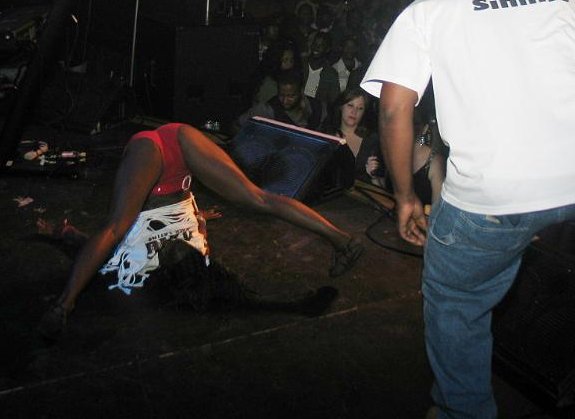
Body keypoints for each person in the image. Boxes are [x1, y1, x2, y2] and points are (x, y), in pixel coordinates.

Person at [361, 0, 575, 418]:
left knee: (456, 299)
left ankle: (463, 411)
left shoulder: (432, 5)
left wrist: (404, 196)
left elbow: (392, 109)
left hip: (494, 194)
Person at [38, 123, 363, 339]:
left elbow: (107, 238)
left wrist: (63, 303)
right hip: (178, 173)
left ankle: (63, 305)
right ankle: (343, 240)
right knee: (257, 198)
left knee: (117, 227)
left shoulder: (138, 257)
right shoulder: (182, 245)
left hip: (159, 149)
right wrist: (195, 218)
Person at [325, 87, 385, 187]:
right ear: (341, 107)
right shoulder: (326, 135)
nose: (354, 112)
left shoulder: (372, 140)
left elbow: (382, 187)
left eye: (360, 108)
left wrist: (374, 176)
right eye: (350, 105)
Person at [239, 68, 326, 130]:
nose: (285, 101)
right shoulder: (268, 109)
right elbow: (237, 125)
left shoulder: (318, 108)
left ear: (301, 92)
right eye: (281, 95)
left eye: (291, 96)